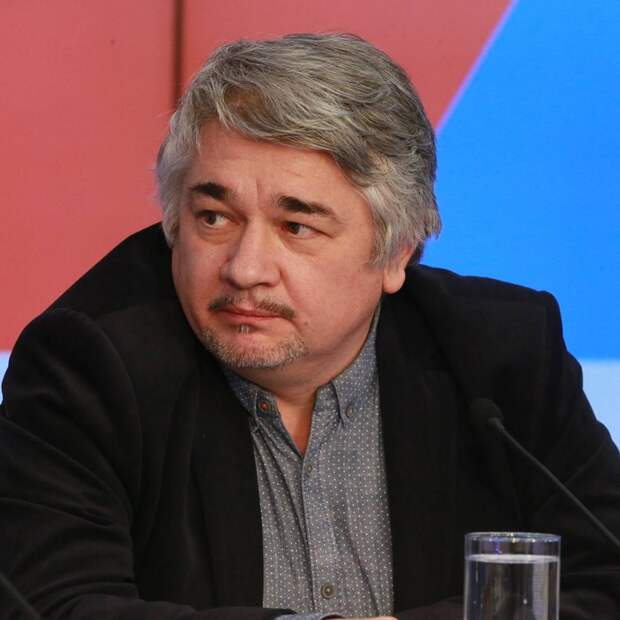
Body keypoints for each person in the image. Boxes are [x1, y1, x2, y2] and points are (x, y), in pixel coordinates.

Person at [0, 33, 618, 620]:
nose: (245, 269)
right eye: (214, 217)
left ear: (397, 252)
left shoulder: (498, 355)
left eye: (296, 227)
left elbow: (607, 577)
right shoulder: (88, 362)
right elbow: (53, 607)